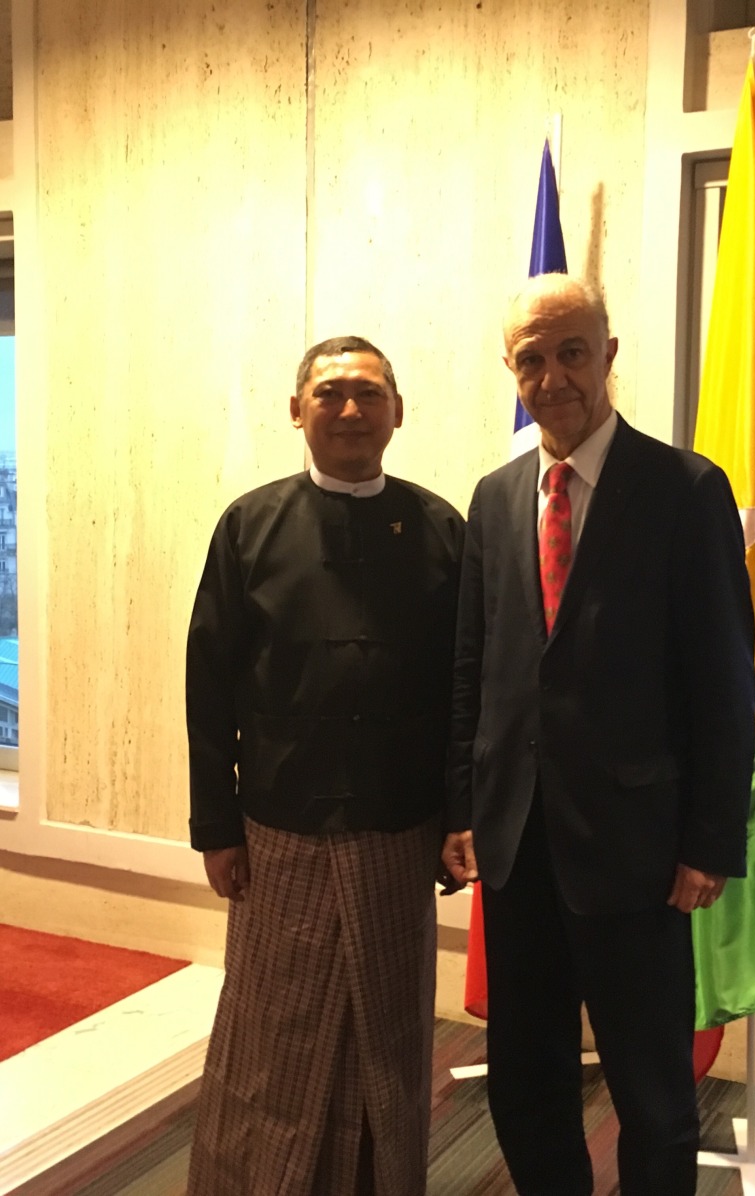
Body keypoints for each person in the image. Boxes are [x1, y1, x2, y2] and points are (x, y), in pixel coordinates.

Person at [443, 275, 755, 1196]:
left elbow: (721, 680)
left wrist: (709, 839)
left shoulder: (686, 489)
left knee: (653, 1093)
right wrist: (462, 804)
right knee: (526, 1080)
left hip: (638, 848)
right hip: (517, 844)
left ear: (608, 355)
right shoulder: (496, 496)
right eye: (531, 359)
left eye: (571, 351)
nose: (553, 375)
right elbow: (477, 665)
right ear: (512, 372)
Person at [186, 336, 464, 1196]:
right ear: (297, 409)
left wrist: (461, 813)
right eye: (332, 392)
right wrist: (215, 825)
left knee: (386, 1034)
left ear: (398, 412)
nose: (351, 409)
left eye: (370, 394)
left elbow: (468, 691)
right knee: (275, 1033)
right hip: (279, 830)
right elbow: (208, 684)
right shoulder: (249, 525)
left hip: (398, 831)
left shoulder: (442, 530)